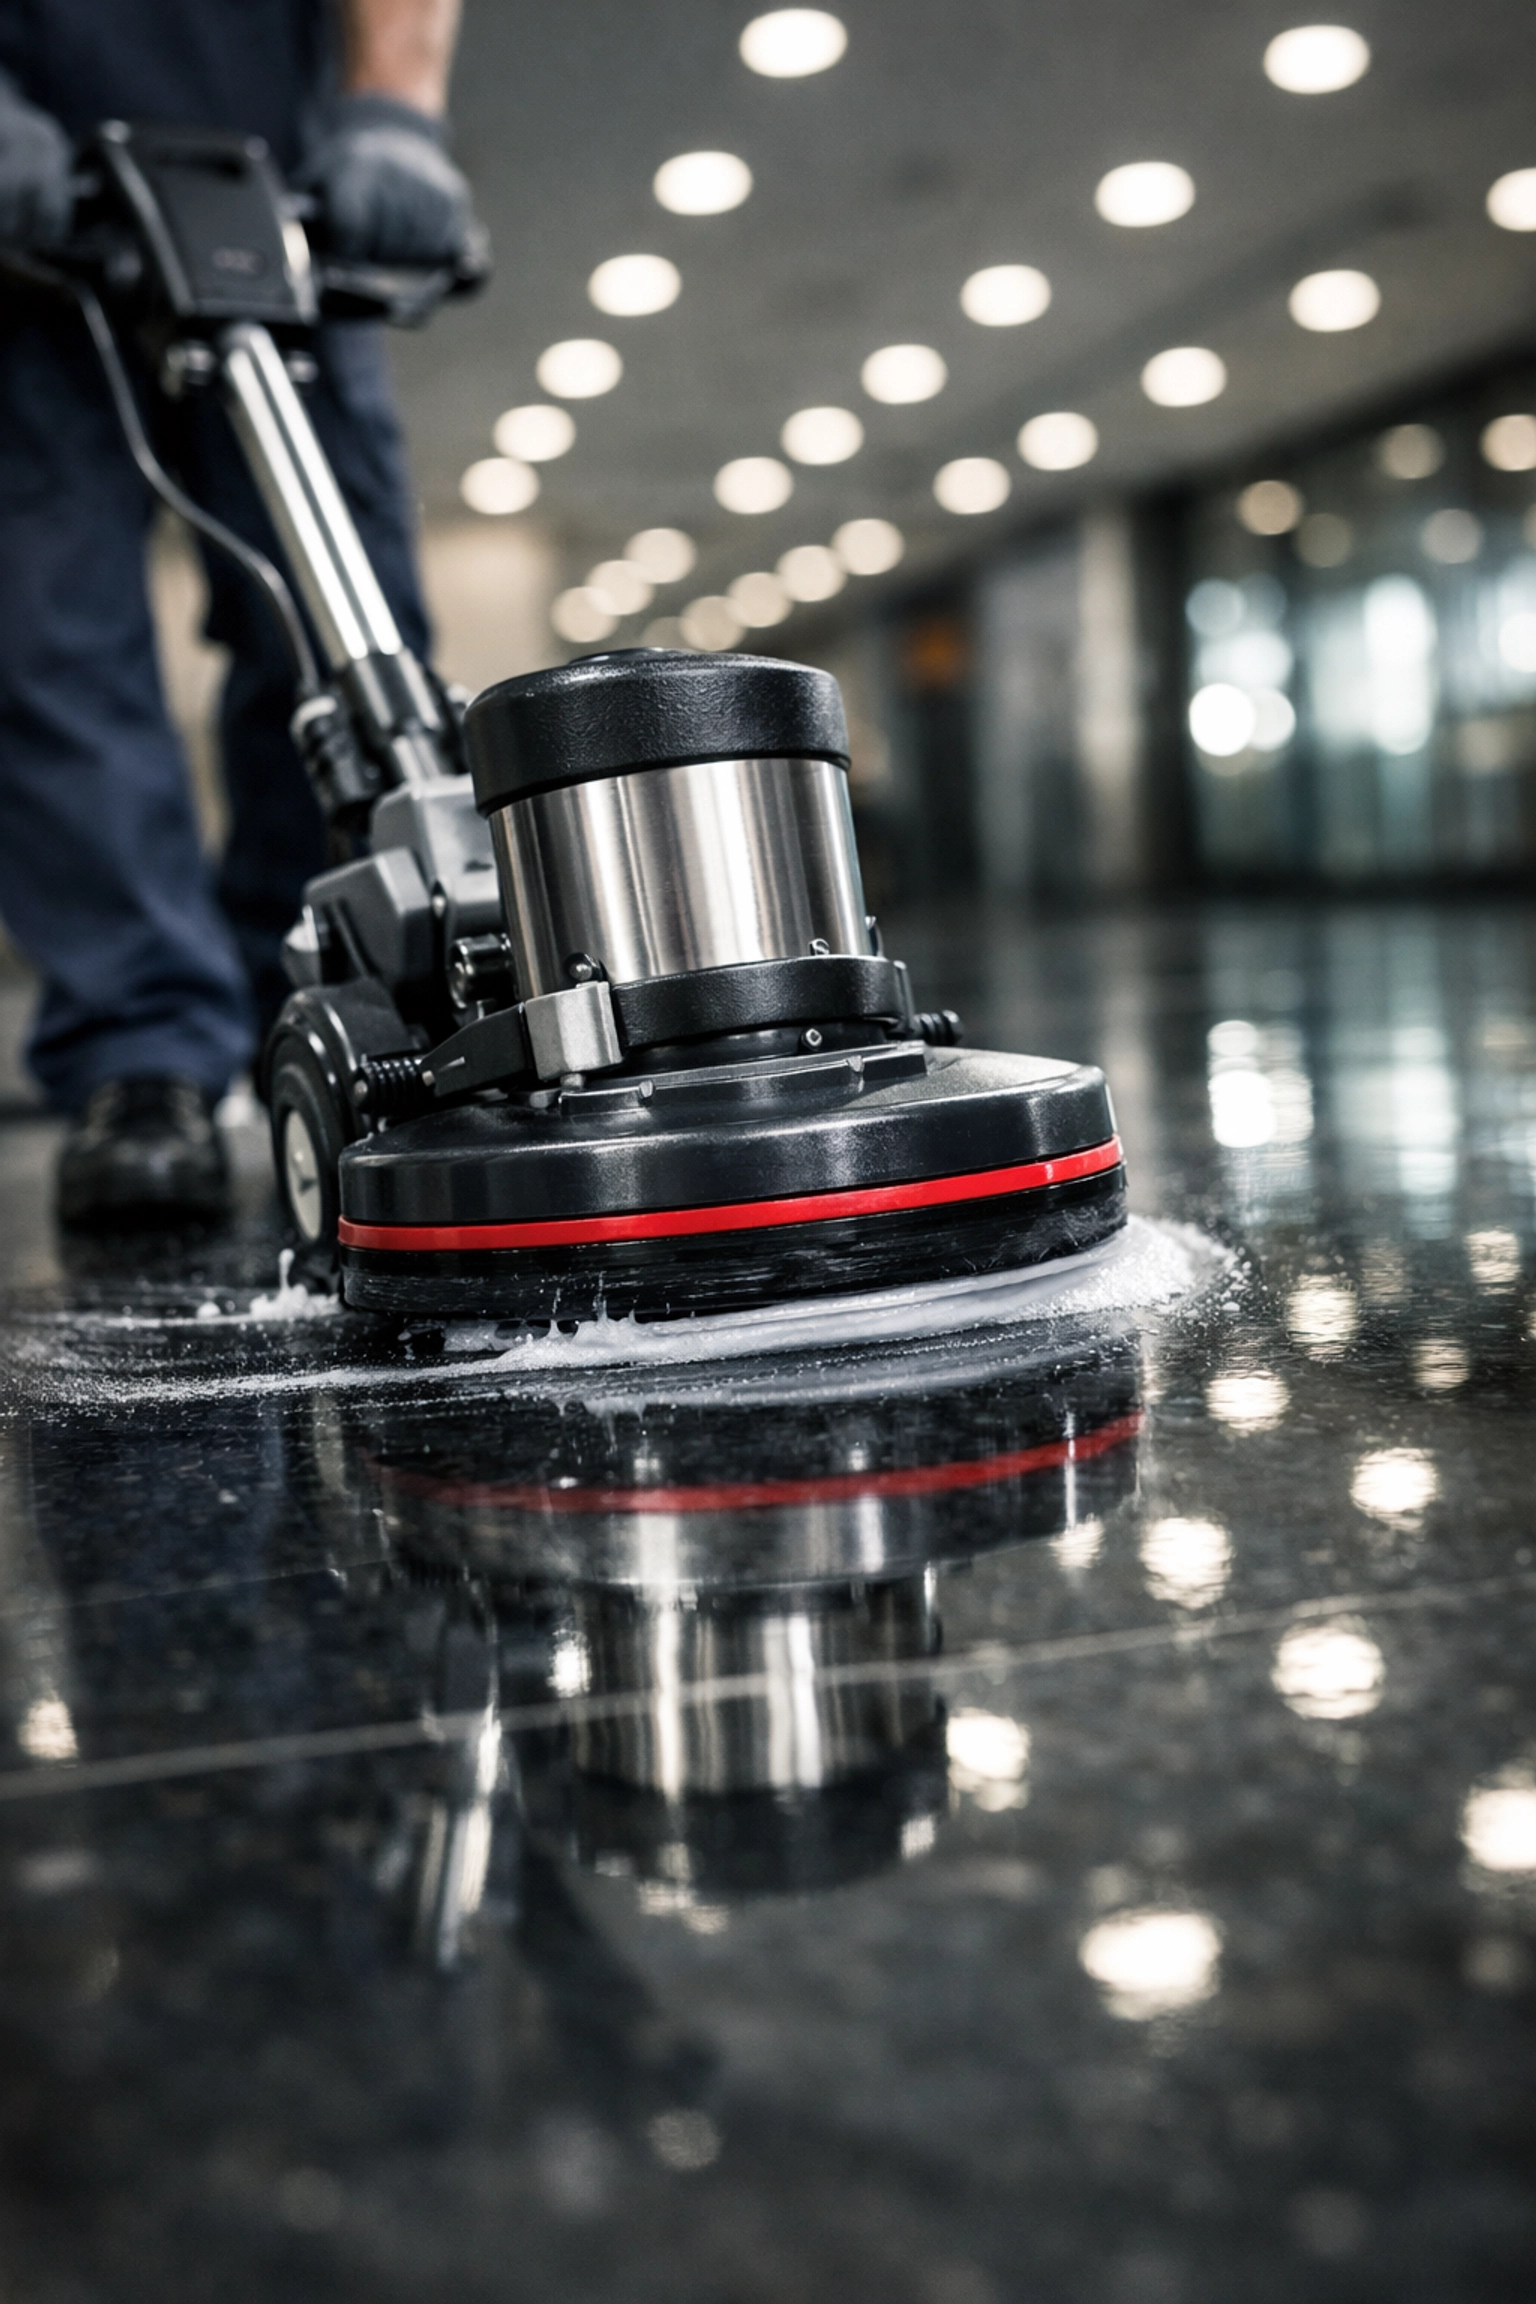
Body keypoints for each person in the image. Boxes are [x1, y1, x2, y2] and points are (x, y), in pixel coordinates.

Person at [0, 0, 482, 1223]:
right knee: (52, 636)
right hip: (20, 190)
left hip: (275, 174)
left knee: (340, 617)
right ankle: (141, 1054)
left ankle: (350, 994)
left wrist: (393, 110)